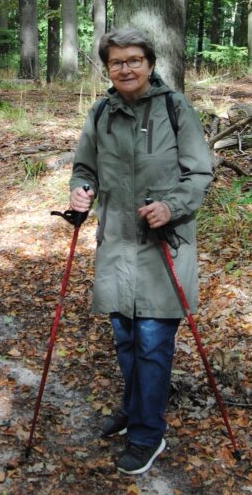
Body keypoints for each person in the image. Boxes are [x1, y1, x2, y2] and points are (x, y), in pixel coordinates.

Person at [68, 26, 213, 476]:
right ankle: (135, 410)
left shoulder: (174, 108)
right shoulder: (101, 112)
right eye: (117, 62)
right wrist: (80, 191)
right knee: (127, 339)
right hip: (115, 244)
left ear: (150, 64)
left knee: (153, 343)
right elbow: (84, 167)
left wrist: (171, 206)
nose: (126, 68)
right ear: (108, 68)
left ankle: (148, 433)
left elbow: (200, 172)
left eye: (134, 60)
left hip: (162, 247)